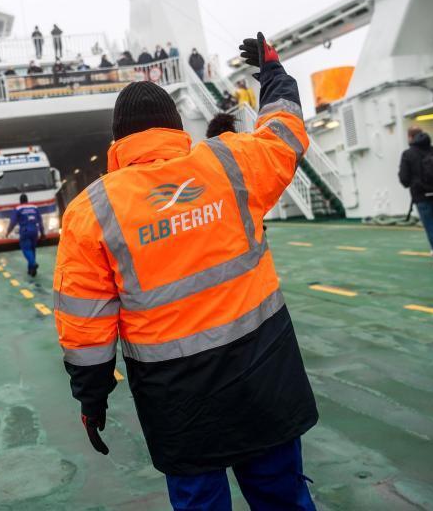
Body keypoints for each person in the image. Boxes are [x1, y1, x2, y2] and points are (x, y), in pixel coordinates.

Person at [53, 31, 318, 510]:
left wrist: (92, 402)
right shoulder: (230, 162)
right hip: (263, 374)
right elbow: (284, 136)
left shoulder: (91, 211)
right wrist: (275, 76)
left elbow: (86, 328)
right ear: (175, 126)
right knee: (282, 497)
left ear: (118, 142)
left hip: (177, 398)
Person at [399, 126, 433, 270]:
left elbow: (404, 179)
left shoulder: (408, 154)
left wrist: (413, 182)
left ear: (410, 137)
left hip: (422, 196)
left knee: (431, 227)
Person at [6, 193, 43, 277]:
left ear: (20, 201)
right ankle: (31, 270)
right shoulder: (34, 207)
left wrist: (8, 232)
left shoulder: (18, 208)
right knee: (32, 249)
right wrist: (42, 232)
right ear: (27, 200)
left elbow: (13, 222)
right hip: (35, 230)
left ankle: (33, 264)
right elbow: (40, 221)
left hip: (25, 231)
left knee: (26, 249)